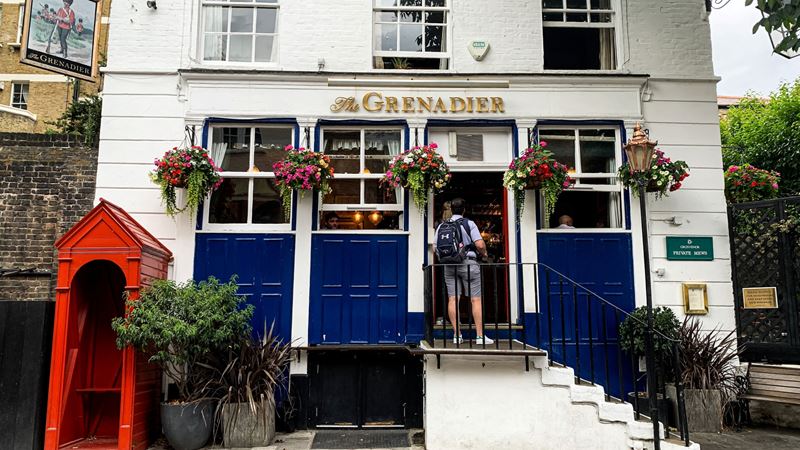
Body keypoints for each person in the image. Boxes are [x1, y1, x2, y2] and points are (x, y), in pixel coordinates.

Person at [435, 198, 493, 345]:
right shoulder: (469, 223)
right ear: (464, 210)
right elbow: (479, 244)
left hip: (449, 265)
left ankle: (457, 335)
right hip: (468, 263)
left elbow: (436, 248)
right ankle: (479, 337)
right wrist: (484, 253)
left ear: (452, 210)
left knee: (453, 299)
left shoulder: (443, 225)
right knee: (475, 299)